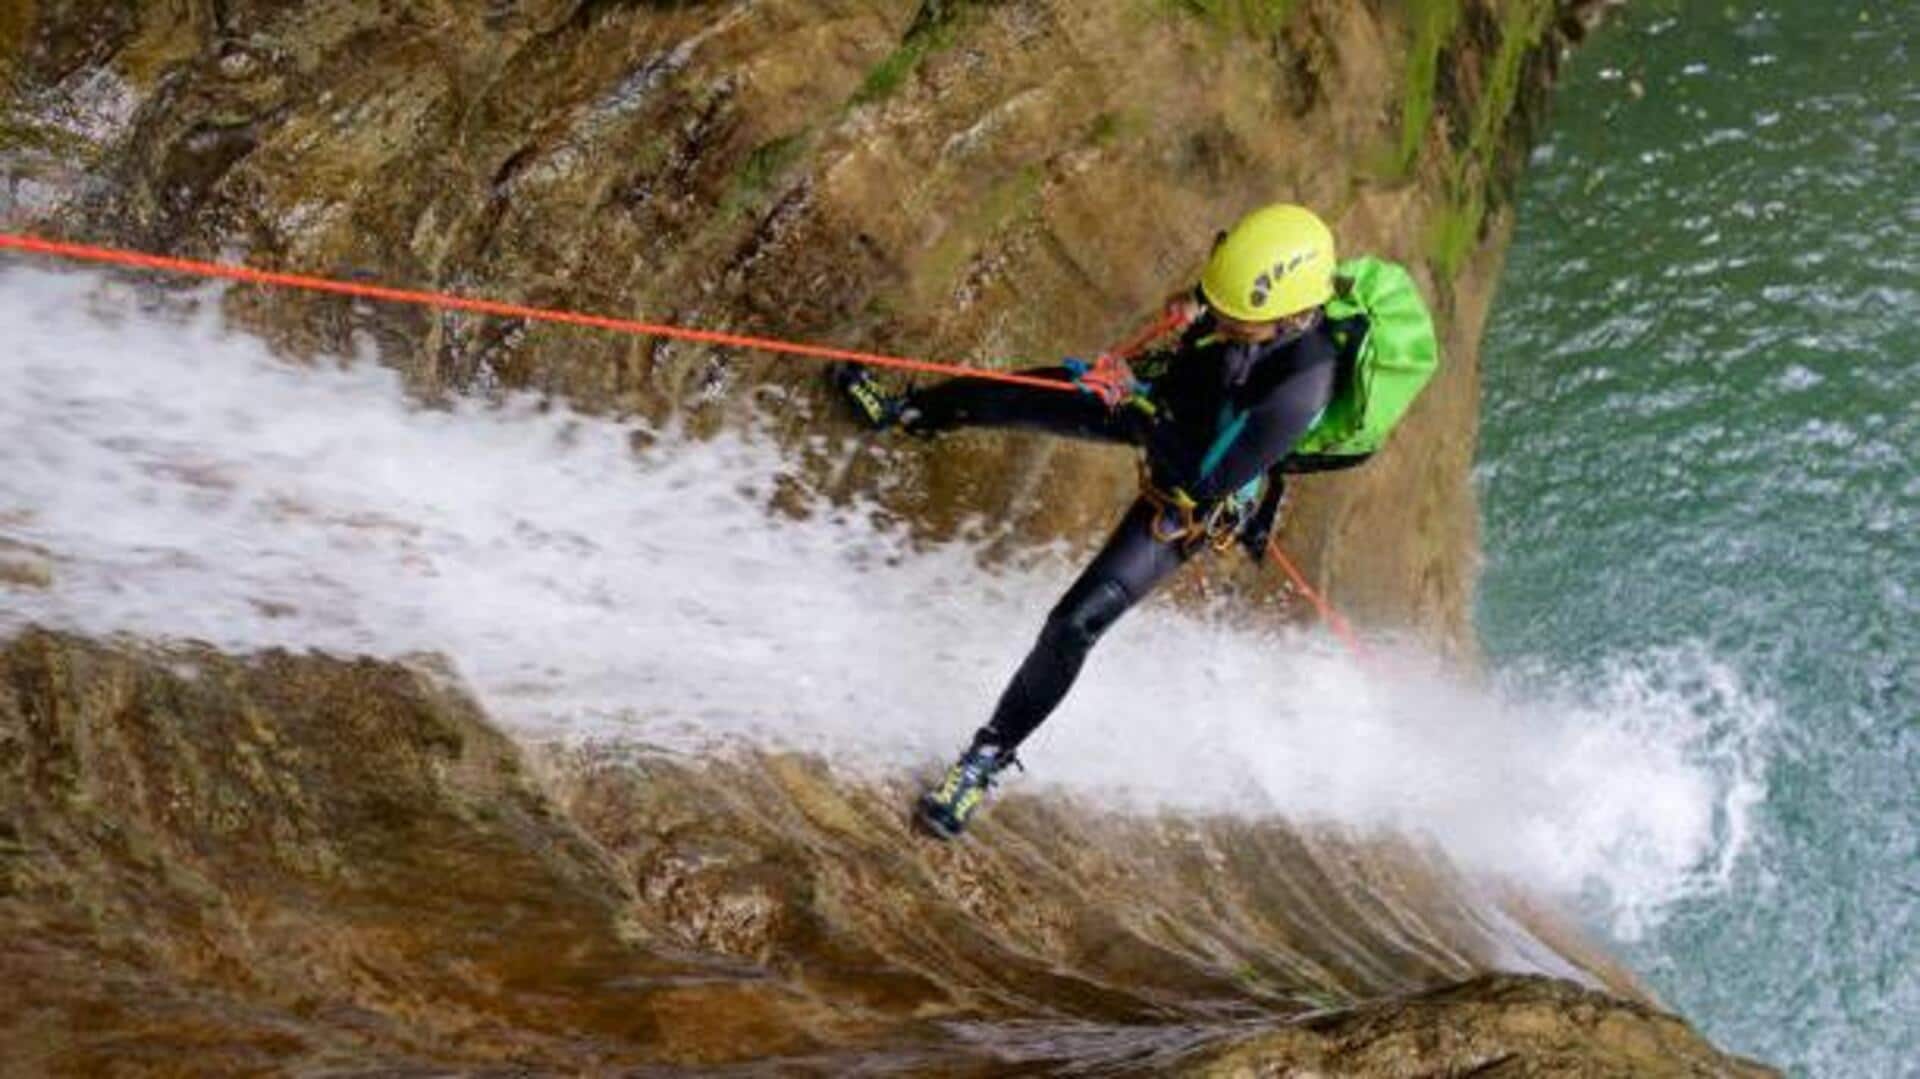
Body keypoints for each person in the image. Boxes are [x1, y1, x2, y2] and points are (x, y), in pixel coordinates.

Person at [835, 204, 1368, 839]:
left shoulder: (1298, 393)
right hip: (1171, 399)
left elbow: (1200, 477)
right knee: (1016, 392)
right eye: (1221, 303)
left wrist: (1134, 403)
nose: (1222, 318)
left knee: (1073, 625)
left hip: (1190, 494)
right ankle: (904, 415)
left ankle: (983, 762)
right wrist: (1194, 306)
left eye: (1237, 318)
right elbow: (1224, 297)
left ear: (1288, 318)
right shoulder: (1248, 296)